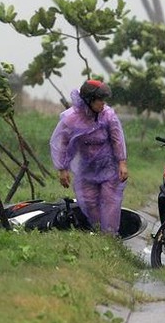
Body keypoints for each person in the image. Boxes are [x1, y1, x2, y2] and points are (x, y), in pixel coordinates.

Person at [49, 79, 128, 235]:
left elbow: (117, 139)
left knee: (110, 202)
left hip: (109, 169)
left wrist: (122, 162)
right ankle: (99, 232)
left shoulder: (108, 115)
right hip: (86, 170)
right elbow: (61, 142)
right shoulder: (71, 118)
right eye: (99, 100)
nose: (102, 104)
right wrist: (62, 169)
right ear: (89, 100)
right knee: (89, 202)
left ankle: (111, 236)